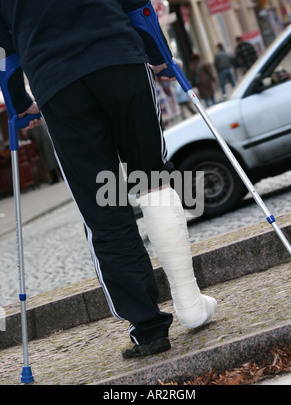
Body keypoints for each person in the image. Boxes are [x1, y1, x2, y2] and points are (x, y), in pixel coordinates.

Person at [0, 0, 217, 359]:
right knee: (152, 178)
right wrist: (160, 57)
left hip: (60, 86)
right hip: (119, 61)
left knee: (104, 207)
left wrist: (20, 103)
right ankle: (190, 303)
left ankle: (148, 329)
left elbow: (7, 56)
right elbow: (140, 10)